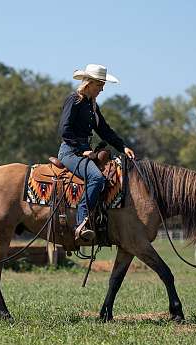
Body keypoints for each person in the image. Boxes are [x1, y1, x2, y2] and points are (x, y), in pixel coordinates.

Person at [57, 64, 136, 242]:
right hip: (70, 152)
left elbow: (105, 130)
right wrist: (82, 150)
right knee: (96, 178)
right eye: (100, 84)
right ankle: (81, 221)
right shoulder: (74, 100)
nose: (102, 88)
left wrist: (122, 147)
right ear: (89, 83)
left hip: (84, 152)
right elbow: (64, 130)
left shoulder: (92, 106)